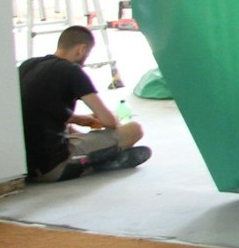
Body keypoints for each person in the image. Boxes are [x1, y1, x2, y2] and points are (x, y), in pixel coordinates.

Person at [17, 25, 148, 182]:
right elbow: (109, 121)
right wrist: (101, 119)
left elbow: (38, 110)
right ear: (81, 49)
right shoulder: (72, 71)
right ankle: (96, 162)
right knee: (134, 130)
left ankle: (97, 156)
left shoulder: (28, 65)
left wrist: (80, 119)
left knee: (68, 128)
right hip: (52, 166)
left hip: (23, 165)